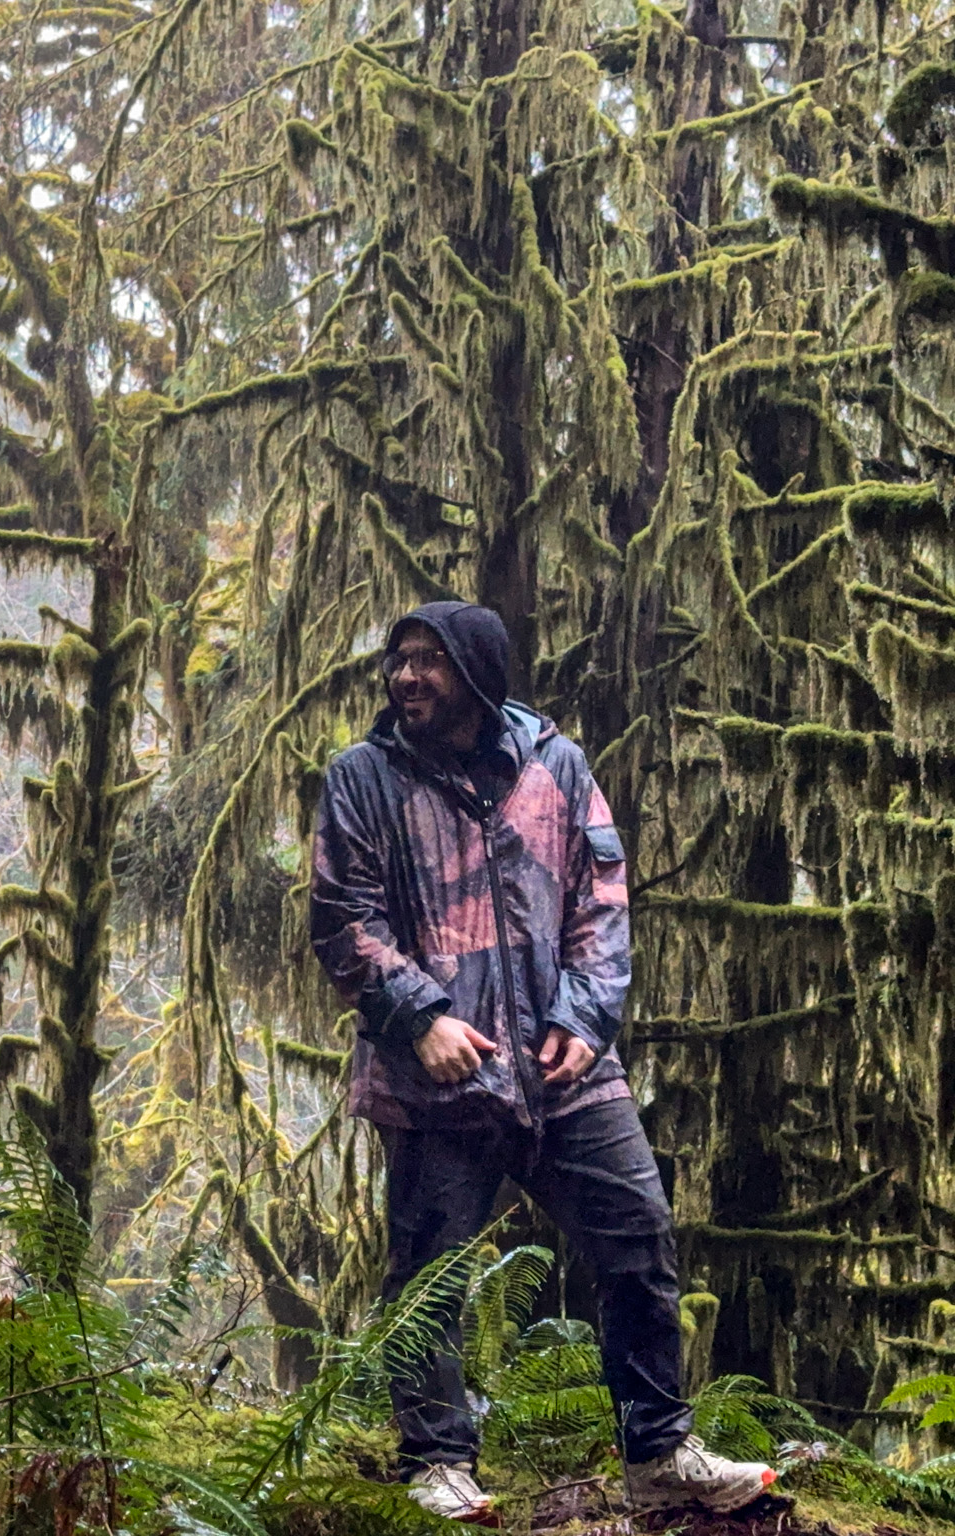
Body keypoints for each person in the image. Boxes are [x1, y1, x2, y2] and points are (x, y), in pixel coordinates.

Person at [308, 601, 778, 1525]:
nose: (406, 677)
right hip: (439, 1080)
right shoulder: (362, 779)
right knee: (429, 1274)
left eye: (428, 661)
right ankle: (437, 1464)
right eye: (399, 660)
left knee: (638, 1241)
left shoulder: (557, 766)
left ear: (479, 672)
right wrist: (420, 1019)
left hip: (568, 1075)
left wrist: (584, 1019)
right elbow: (342, 919)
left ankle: (660, 1455)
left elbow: (601, 902)